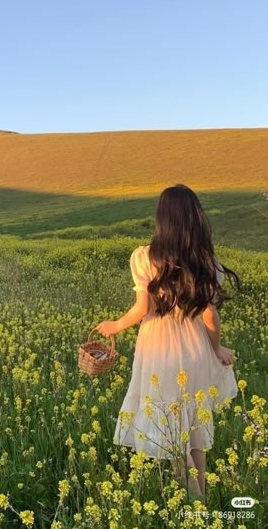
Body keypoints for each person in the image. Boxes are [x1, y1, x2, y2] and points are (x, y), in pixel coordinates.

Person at [96, 184, 241, 501]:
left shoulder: (146, 258)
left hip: (159, 349)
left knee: (171, 435)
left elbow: (142, 309)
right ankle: (199, 496)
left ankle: (196, 505)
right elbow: (210, 319)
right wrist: (216, 349)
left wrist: (114, 325)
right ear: (195, 219)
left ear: (163, 219)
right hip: (195, 349)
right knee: (192, 431)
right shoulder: (207, 263)